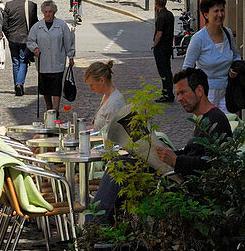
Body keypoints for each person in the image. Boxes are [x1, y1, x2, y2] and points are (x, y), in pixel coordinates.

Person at [87, 67, 232, 225]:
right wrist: (168, 154)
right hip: (180, 177)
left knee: (120, 167)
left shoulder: (215, 120)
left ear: (199, 91)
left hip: (188, 186)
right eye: (177, 94)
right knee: (124, 165)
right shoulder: (204, 119)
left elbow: (212, 164)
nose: (179, 99)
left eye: (183, 92)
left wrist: (176, 161)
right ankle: (108, 228)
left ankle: (94, 225)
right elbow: (195, 153)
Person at [183, 0, 240, 112]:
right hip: (206, 94)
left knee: (229, 126)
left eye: (222, 10)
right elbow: (187, 68)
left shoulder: (228, 34)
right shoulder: (199, 39)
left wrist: (236, 67)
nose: (220, 15)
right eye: (216, 11)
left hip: (228, 92)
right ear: (206, 15)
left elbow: (236, 55)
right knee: (208, 128)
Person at [26, 0, 75, 113]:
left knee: (56, 88)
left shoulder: (61, 25)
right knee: (45, 89)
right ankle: (49, 109)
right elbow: (30, 40)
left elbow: (68, 42)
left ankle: (55, 111)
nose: (48, 14)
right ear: (43, 12)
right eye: (46, 12)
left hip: (58, 62)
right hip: (43, 63)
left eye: (50, 12)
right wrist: (35, 48)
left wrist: (71, 56)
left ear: (54, 12)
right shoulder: (37, 27)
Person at [2, 0, 38, 96]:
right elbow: (34, 23)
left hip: (12, 38)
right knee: (23, 61)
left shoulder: (8, 5)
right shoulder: (31, 5)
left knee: (15, 61)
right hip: (25, 38)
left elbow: (4, 23)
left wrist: (8, 35)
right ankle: (19, 83)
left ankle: (16, 85)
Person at [85, 60, 127, 130]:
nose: (91, 89)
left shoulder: (113, 103)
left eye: (92, 85)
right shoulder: (107, 96)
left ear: (102, 80)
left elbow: (110, 135)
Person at [152, 0, 174, 102]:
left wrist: (154, 45)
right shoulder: (169, 14)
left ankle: (167, 94)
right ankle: (169, 92)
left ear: (157, 4)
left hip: (161, 47)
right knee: (167, 70)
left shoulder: (161, 16)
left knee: (163, 72)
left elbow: (159, 33)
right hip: (168, 46)